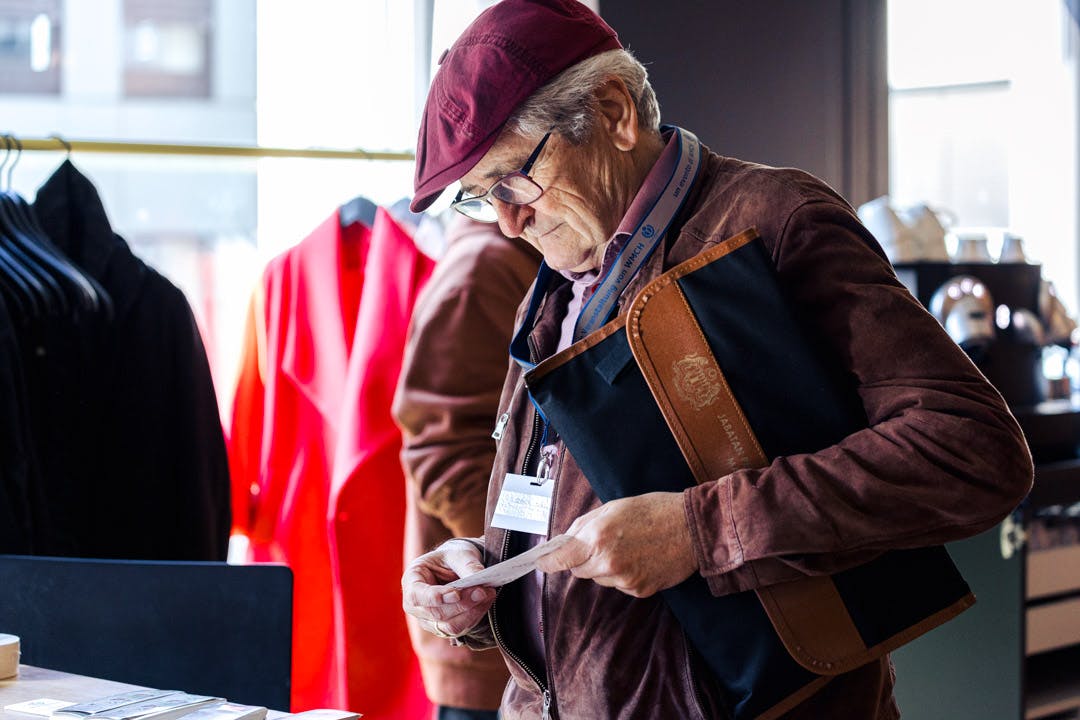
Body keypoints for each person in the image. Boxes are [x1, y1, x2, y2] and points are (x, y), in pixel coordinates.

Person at [400, 1, 1034, 718]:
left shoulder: (774, 222)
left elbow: (972, 450)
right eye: (481, 198)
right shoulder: (549, 291)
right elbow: (560, 503)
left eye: (513, 180)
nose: (508, 222)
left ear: (614, 113)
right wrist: (488, 576)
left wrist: (697, 532)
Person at [393, 214, 541, 720]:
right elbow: (444, 453)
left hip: (515, 629)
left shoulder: (534, 265)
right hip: (490, 640)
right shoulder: (482, 271)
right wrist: (530, 561)